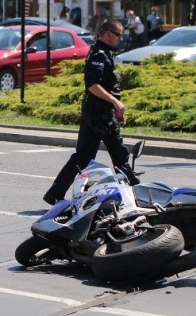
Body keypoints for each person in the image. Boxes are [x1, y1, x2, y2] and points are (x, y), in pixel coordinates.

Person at [43, 18, 140, 205]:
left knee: (83, 156)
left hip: (95, 111)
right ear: (109, 34)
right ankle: (135, 193)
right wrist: (115, 103)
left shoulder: (104, 53)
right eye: (119, 35)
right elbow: (93, 85)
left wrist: (115, 106)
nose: (121, 39)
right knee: (119, 154)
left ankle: (55, 193)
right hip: (99, 113)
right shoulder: (99, 55)